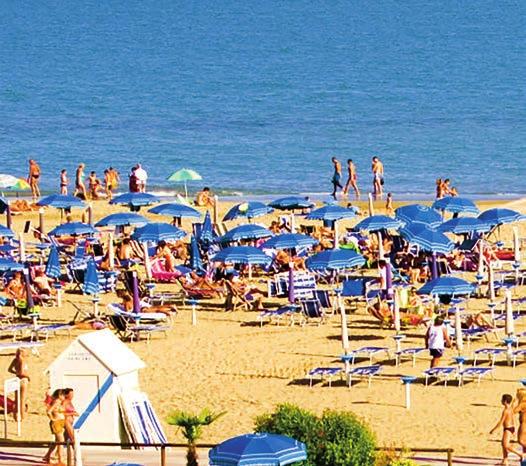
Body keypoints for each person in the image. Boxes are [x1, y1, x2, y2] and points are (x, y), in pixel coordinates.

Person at [489, 394, 524, 465]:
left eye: (502, 400)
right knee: (503, 445)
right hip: (511, 428)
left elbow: (501, 422)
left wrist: (494, 430)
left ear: (505, 401)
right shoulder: (511, 408)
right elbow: (512, 417)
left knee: (506, 445)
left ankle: (520, 454)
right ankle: (505, 461)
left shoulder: (505, 411)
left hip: (508, 429)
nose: (501, 401)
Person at [42, 389, 66, 465]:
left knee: (56, 442)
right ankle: (60, 459)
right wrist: (53, 419)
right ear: (59, 395)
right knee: (61, 441)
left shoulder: (59, 402)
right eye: (63, 395)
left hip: (60, 422)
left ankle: (47, 456)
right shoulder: (57, 402)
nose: (64, 396)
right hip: (57, 423)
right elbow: (48, 411)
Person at [7, 348, 30, 421]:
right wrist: (28, 376)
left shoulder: (15, 360)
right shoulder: (22, 361)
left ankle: (15, 416)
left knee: (16, 400)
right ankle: (22, 417)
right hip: (23, 380)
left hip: (16, 380)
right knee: (22, 400)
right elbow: (22, 372)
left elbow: (9, 369)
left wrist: (15, 373)